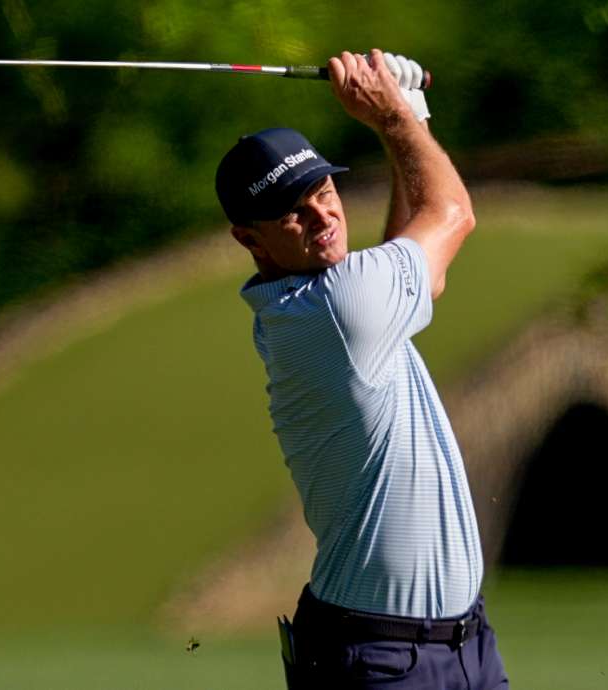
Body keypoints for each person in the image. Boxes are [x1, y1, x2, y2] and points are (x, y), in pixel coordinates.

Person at [214, 49, 509, 689]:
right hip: (381, 660)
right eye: (293, 210)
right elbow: (454, 214)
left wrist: (411, 113)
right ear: (249, 238)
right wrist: (394, 117)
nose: (323, 217)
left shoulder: (332, 299)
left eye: (324, 192)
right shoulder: (337, 311)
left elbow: (411, 260)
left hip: (458, 645)